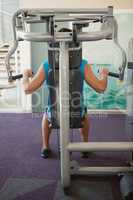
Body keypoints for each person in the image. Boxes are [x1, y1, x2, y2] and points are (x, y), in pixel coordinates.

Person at [23, 28, 109, 159]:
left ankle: (45, 146)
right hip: (76, 114)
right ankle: (85, 146)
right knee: (84, 115)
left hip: (54, 115)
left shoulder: (47, 65)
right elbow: (101, 88)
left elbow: (27, 89)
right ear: (75, 46)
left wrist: (25, 74)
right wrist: (104, 75)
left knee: (47, 114)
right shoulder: (83, 65)